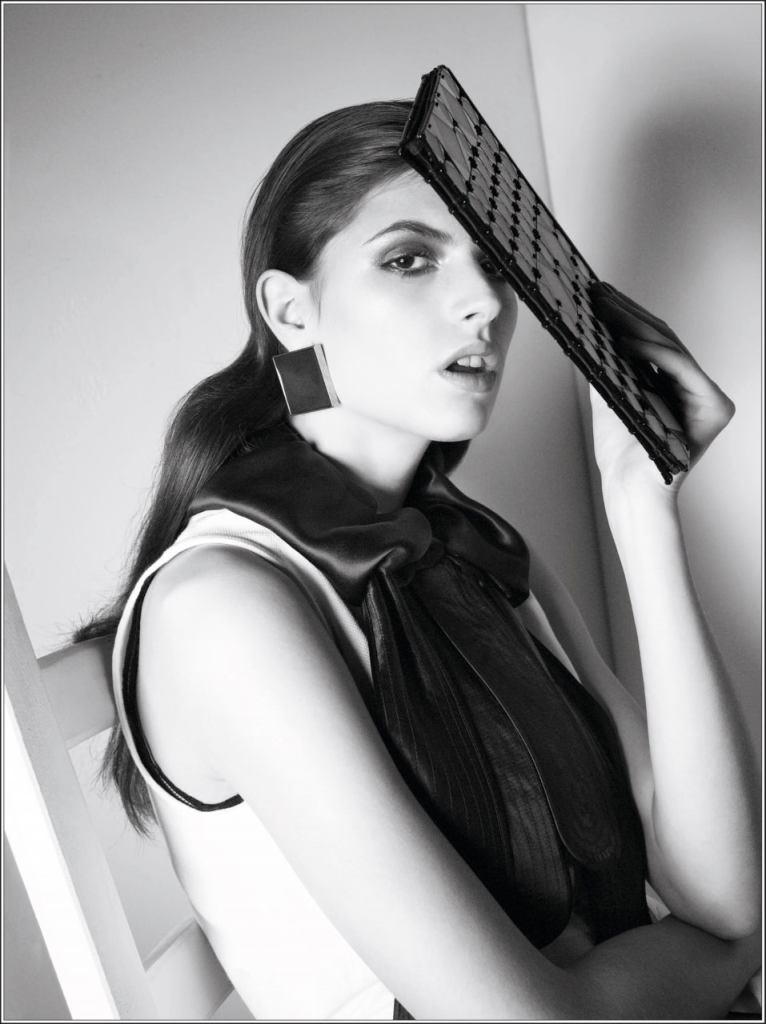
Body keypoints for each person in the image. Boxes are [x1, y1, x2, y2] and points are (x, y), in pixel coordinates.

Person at [77, 98, 761, 1020]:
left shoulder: (479, 550)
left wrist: (644, 510)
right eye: (409, 259)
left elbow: (727, 899)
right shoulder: (222, 607)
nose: (485, 302)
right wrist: (720, 956)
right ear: (291, 312)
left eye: (496, 264)